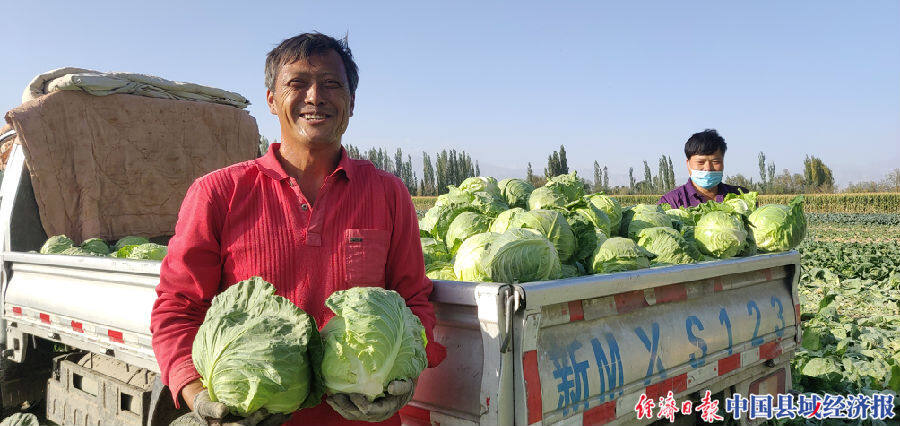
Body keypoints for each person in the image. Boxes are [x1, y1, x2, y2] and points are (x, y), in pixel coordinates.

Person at [151, 32, 445, 426]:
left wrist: (405, 375)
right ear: (272, 100)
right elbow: (177, 308)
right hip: (252, 414)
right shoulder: (217, 193)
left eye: (331, 84)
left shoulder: (388, 193)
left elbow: (414, 302)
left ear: (352, 103)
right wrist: (196, 393)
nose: (315, 97)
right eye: (297, 83)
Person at [659, 129, 749, 209]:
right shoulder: (671, 202)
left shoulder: (741, 197)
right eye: (700, 162)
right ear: (688, 164)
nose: (708, 168)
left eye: (715, 162)